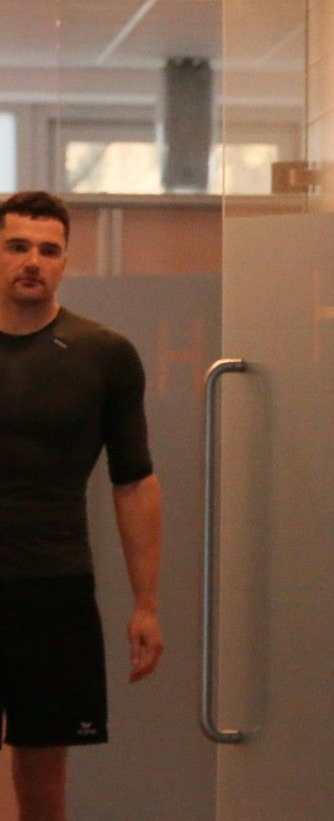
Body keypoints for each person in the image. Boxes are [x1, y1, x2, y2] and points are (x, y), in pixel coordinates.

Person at [0, 191, 163, 821]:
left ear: (65, 262)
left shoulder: (104, 354)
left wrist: (145, 604)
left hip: (53, 588)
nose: (32, 261)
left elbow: (135, 482)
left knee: (41, 780)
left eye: (49, 250)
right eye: (17, 246)